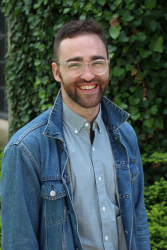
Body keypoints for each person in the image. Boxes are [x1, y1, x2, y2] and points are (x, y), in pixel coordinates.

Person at [1, 19, 150, 250]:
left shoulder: (125, 135)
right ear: (56, 71)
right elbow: (19, 243)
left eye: (97, 62)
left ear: (108, 65)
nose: (88, 75)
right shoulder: (26, 149)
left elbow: (138, 223)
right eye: (74, 65)